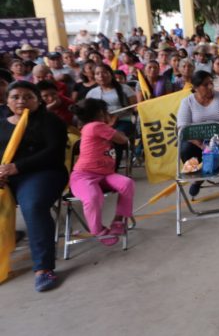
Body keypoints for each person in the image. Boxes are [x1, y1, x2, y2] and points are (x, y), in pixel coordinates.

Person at [0, 81, 68, 292]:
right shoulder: (2, 124)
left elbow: (54, 153)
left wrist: (17, 167)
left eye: (28, 96)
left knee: (33, 206)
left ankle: (43, 268)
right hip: (6, 176)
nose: (21, 101)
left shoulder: (49, 121)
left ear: (37, 100)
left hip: (43, 173)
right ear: (7, 100)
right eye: (16, 97)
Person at [69, 99, 134, 246]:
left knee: (127, 183)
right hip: (83, 176)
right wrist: (111, 125)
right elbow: (123, 139)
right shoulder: (96, 126)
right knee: (92, 196)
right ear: (100, 113)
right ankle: (97, 230)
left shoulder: (91, 126)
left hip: (105, 175)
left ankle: (119, 219)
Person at [176, 71, 219, 197]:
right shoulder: (187, 102)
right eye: (206, 85)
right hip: (198, 140)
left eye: (211, 83)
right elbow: (182, 128)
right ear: (195, 88)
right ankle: (198, 180)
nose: (210, 87)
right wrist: (201, 145)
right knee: (185, 149)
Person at [86, 64, 137, 170]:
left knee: (114, 139)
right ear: (94, 76)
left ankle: (112, 170)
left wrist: (116, 117)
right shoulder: (92, 93)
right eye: (97, 73)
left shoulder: (125, 89)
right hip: (100, 125)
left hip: (123, 122)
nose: (101, 76)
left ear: (111, 74)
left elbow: (135, 108)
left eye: (104, 72)